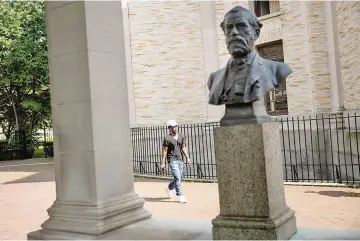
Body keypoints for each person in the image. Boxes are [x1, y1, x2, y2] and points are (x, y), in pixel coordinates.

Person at [161, 120, 191, 203]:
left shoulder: (181, 136)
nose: (176, 128)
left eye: (176, 126)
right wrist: (163, 163)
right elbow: (164, 151)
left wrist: (188, 158)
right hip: (172, 160)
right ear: (169, 128)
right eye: (174, 126)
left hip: (180, 159)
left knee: (180, 177)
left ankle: (170, 187)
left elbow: (183, 147)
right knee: (177, 177)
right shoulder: (167, 138)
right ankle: (180, 196)